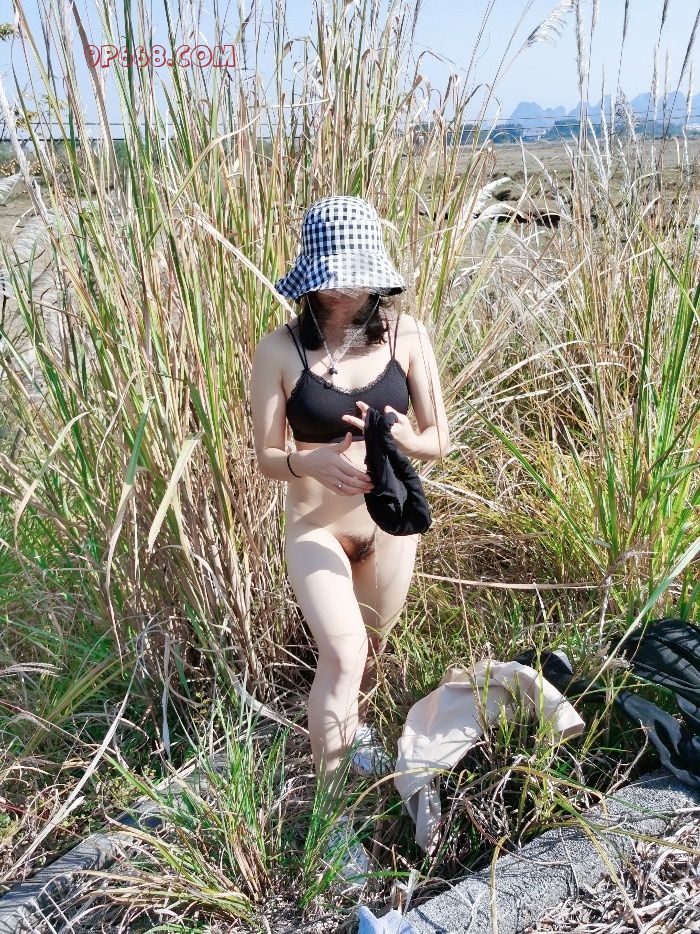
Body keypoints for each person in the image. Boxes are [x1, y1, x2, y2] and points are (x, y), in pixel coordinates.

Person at [250, 195, 449, 878]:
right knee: (342, 654)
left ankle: (354, 738)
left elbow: (440, 439)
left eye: (355, 273)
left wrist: (397, 436)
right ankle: (330, 826)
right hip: (315, 528)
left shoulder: (407, 336)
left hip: (387, 527)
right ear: (309, 274)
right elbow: (265, 457)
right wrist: (308, 461)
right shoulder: (279, 349)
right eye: (332, 273)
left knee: (371, 653)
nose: (344, 287)